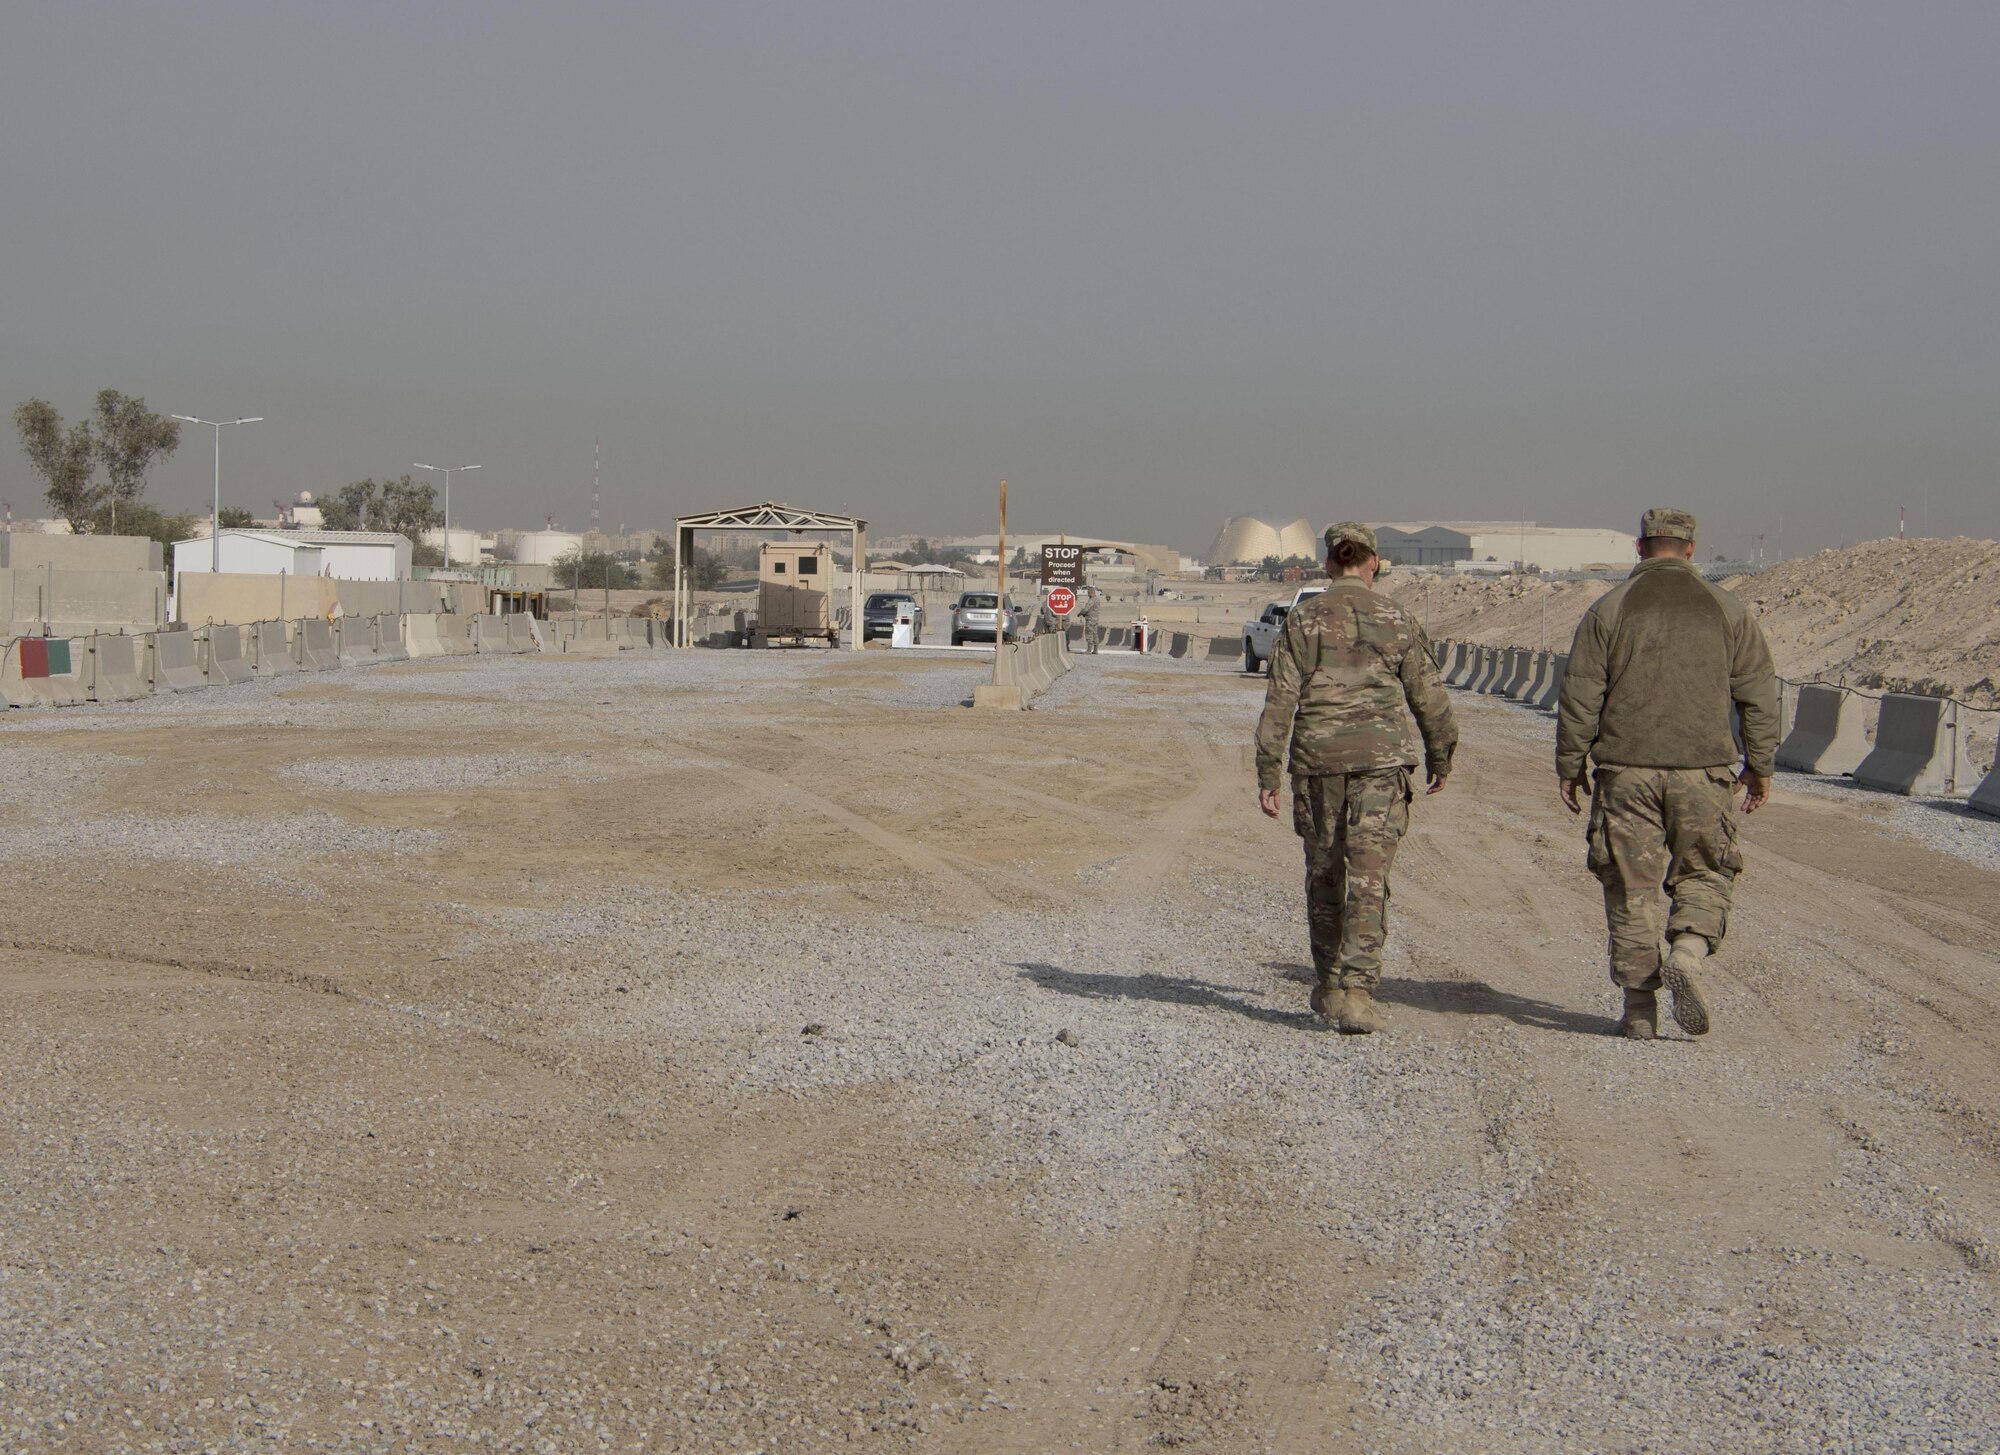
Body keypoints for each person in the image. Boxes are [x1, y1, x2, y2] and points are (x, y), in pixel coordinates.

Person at [1556, 508, 1779, 1040]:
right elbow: (1760, 694)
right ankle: (1688, 950)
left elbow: (1581, 693)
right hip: (1703, 774)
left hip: (1626, 774)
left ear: (1639, 547)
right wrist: (1760, 764)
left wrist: (1570, 763)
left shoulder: (1609, 608)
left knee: (1631, 888)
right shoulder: (1727, 609)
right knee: (1706, 872)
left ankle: (1639, 1011)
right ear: (1692, 548)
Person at [1255, 523, 1457, 1034]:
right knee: (1368, 880)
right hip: (1380, 767)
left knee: (1325, 877)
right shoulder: (1397, 618)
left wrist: (1268, 770)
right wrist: (1441, 755)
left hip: (1317, 764)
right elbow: (1430, 697)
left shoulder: (1302, 619)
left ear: (1328, 564)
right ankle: (1358, 994)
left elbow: (1280, 700)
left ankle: (1328, 986)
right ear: (1374, 563)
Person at [1078, 586, 1102, 654]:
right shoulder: (1097, 600)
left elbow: (1086, 609)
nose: (1088, 595)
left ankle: (1089, 650)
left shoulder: (1092, 600)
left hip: (1090, 620)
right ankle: (1095, 650)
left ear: (1091, 593)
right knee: (1095, 634)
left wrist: (1080, 613)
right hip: (1095, 620)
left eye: (1088, 593)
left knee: (1089, 634)